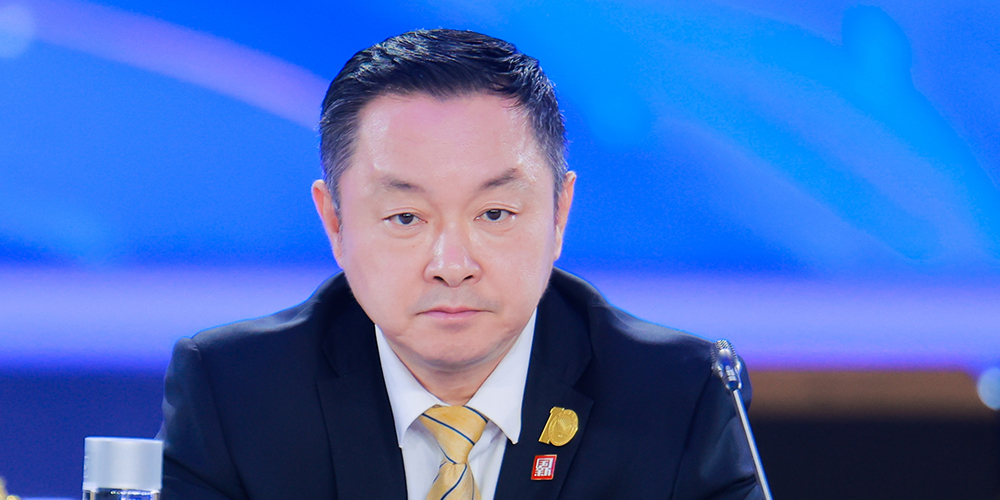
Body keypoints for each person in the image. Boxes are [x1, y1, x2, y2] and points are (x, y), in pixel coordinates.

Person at [159, 28, 761, 500]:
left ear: (559, 213)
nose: (452, 265)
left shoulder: (679, 395)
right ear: (335, 222)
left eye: (495, 213)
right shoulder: (235, 392)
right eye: (405, 217)